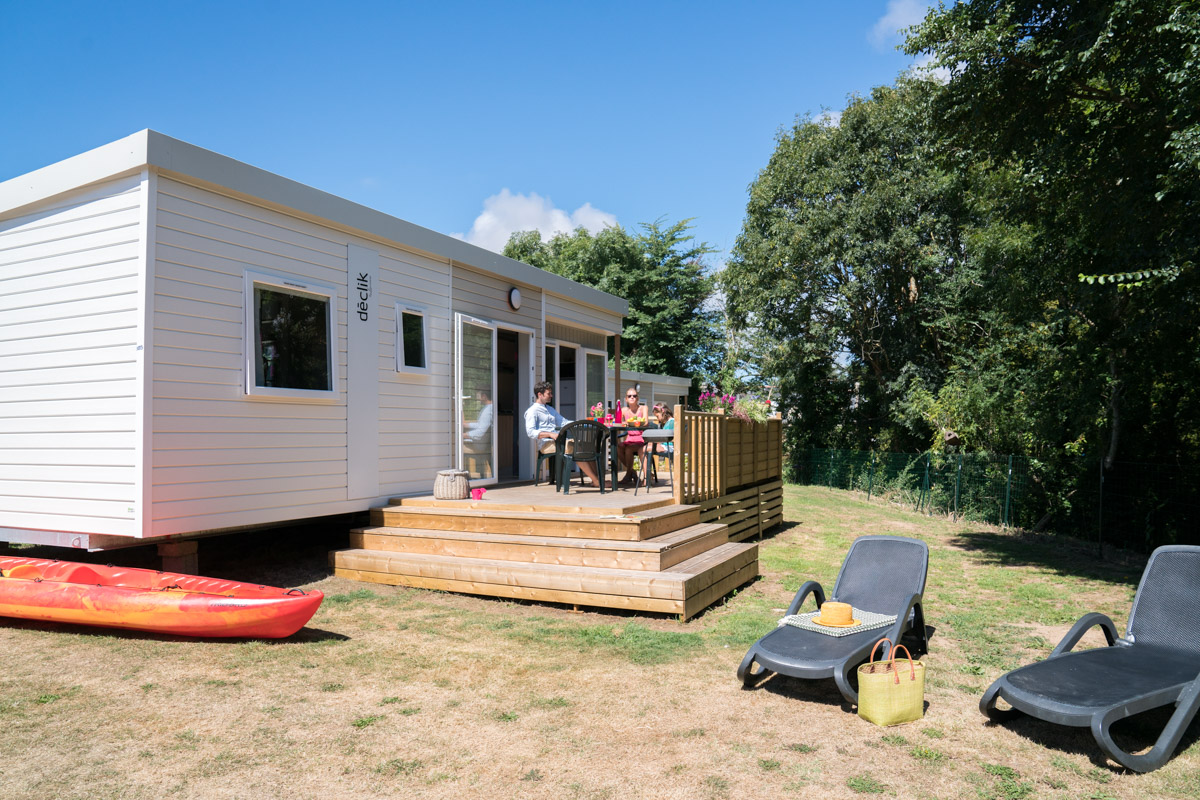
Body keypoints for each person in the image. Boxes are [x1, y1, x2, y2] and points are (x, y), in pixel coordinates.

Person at [524, 381, 600, 486]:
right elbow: (530, 432)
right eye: (549, 393)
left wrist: (583, 423)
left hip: (558, 441)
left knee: (587, 446)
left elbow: (564, 422)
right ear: (540, 394)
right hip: (546, 444)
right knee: (577, 448)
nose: (551, 395)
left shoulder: (550, 409)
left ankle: (596, 480)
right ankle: (596, 481)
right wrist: (550, 434)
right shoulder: (532, 411)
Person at [616, 387, 647, 485]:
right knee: (618, 448)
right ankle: (632, 471)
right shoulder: (624, 410)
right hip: (629, 438)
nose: (632, 397)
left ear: (637, 398)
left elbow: (646, 422)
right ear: (626, 399)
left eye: (634, 396)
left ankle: (628, 475)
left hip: (641, 438)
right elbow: (618, 422)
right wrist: (623, 423)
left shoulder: (643, 408)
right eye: (629, 396)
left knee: (628, 449)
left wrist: (633, 423)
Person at [649, 403, 675, 484]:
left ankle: (648, 475)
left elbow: (670, 436)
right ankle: (648, 473)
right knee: (647, 447)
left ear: (663, 412)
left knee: (646, 448)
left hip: (669, 447)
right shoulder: (668, 422)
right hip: (666, 445)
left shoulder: (672, 422)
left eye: (657, 416)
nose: (658, 419)